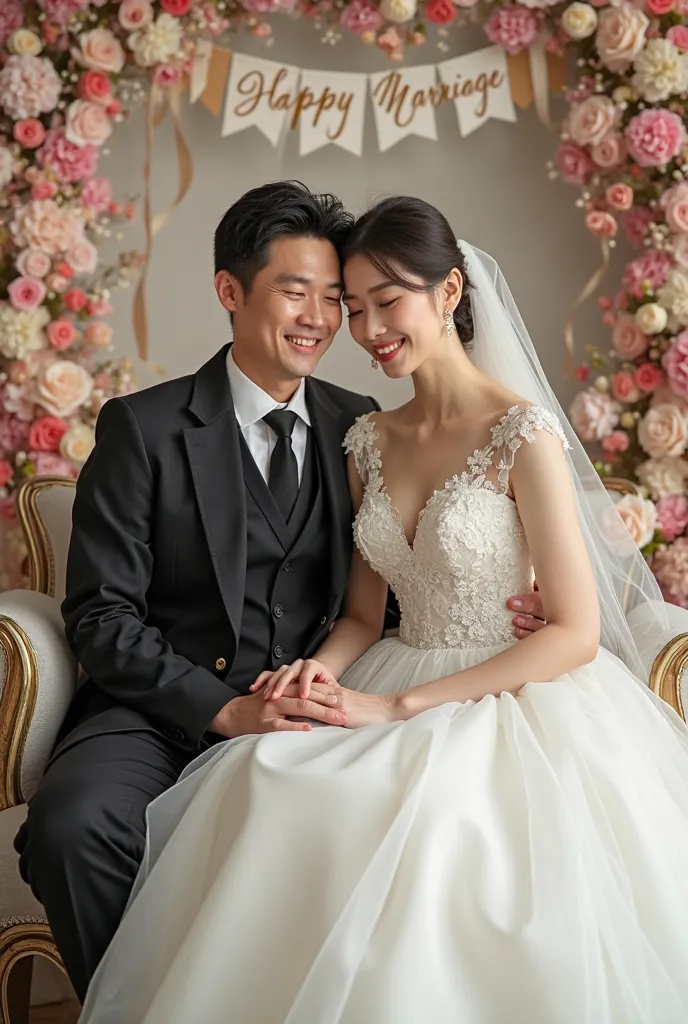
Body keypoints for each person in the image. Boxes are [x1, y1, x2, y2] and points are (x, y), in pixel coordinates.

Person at [77, 196, 688, 1024]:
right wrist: (313, 677)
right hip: (378, 670)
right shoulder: (367, 436)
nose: (359, 329)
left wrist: (395, 703)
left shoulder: (521, 433)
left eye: (377, 302)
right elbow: (364, 616)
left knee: (440, 839)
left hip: (507, 697)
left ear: (449, 292)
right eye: (348, 306)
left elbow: (577, 631)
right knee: (268, 783)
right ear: (231, 290)